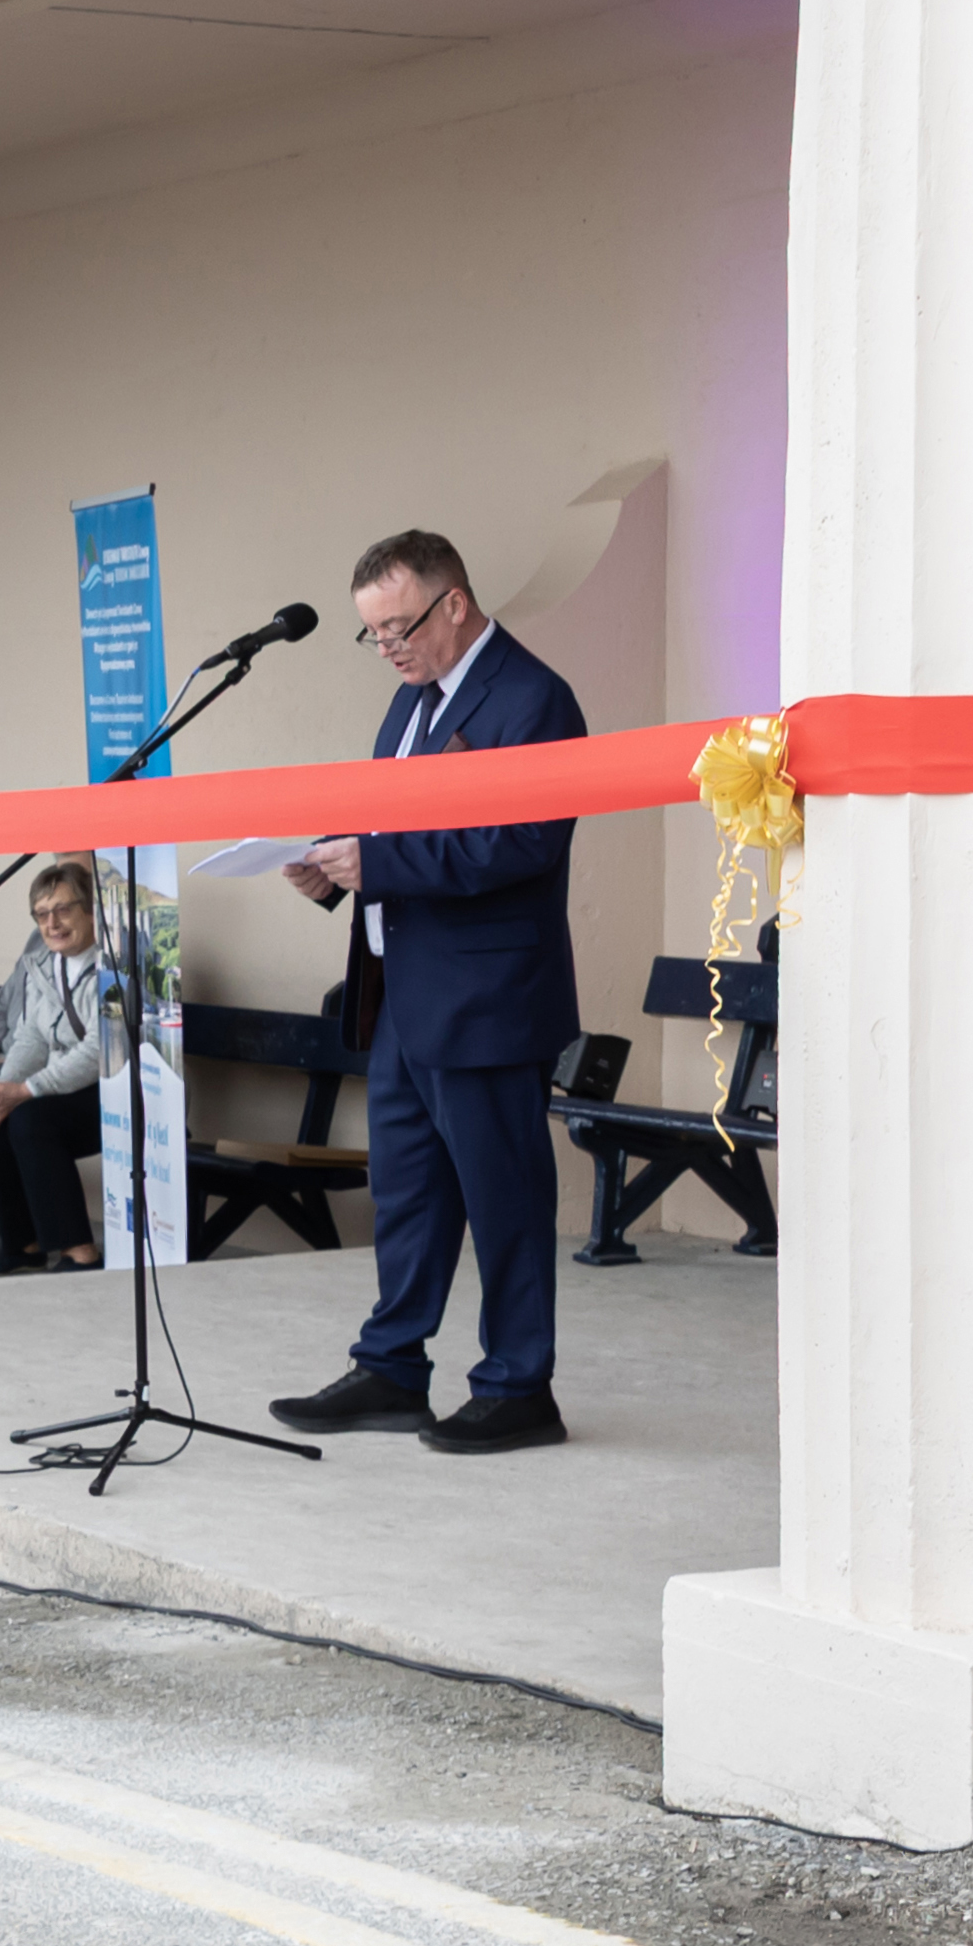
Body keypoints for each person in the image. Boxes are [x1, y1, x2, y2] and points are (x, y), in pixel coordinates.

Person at [272, 530, 586, 1454]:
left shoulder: (533, 699)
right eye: (370, 635)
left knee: (504, 1199)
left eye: (397, 627)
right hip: (403, 994)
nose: (387, 650)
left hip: (488, 998)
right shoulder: (409, 705)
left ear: (454, 603)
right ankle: (391, 1368)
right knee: (407, 1192)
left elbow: (519, 842)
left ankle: (518, 1385)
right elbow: (394, 827)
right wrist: (335, 867)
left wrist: (376, 860)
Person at [0, 860, 113, 1278]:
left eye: (63, 910)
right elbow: (31, 1037)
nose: (52, 923)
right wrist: (1, 1093)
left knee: (29, 1120)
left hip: (119, 1090)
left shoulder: (116, 966)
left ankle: (81, 1253)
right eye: (42, 914)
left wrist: (26, 1091)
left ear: (92, 910)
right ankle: (23, 1244)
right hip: (66, 1087)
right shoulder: (45, 965)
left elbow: (101, 1048)